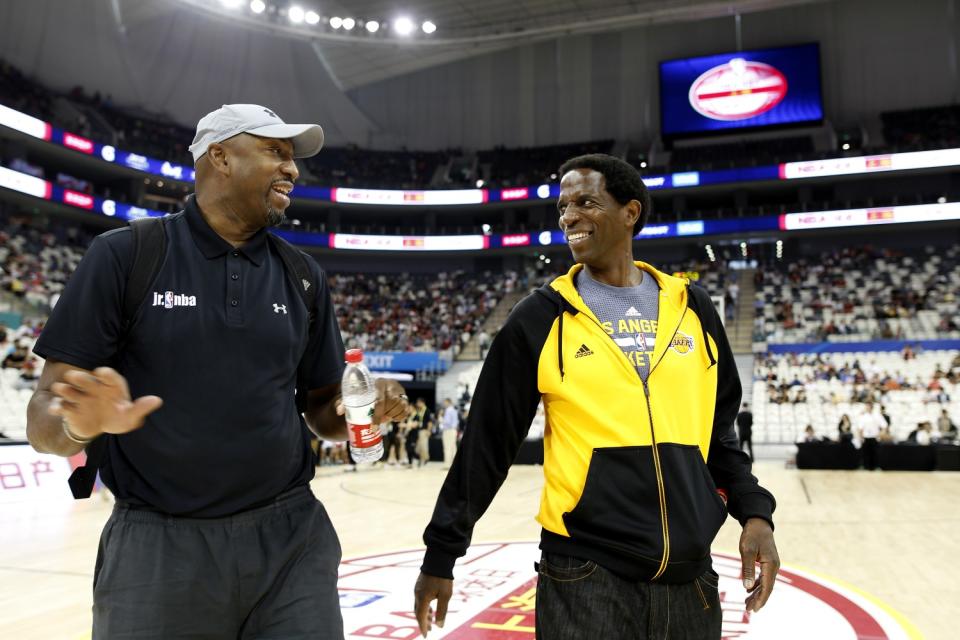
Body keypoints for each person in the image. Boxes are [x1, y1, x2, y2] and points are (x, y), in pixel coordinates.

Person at [25, 104, 409, 639]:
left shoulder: (302, 276)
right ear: (220, 156)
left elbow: (323, 411)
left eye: (293, 158)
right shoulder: (125, 256)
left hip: (290, 540)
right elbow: (42, 417)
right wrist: (78, 423)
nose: (293, 170)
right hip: (158, 547)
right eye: (276, 151)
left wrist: (362, 408)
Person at [413, 154, 779, 639]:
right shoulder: (538, 319)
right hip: (585, 573)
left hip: (691, 575)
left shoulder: (695, 308)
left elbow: (718, 435)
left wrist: (755, 513)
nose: (568, 216)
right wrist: (442, 553)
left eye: (586, 201)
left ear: (630, 212)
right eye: (564, 206)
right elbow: (487, 444)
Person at [855, 402, 885, 470]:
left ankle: (876, 467)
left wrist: (880, 434)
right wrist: (860, 437)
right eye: (866, 406)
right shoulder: (863, 416)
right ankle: (865, 467)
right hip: (865, 437)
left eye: (869, 406)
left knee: (875, 453)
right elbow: (860, 428)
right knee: (865, 453)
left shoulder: (877, 416)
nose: (867, 408)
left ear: (872, 407)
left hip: (875, 437)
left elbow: (884, 426)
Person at [439, 398, 459, 469]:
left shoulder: (448, 410)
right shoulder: (454, 410)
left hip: (448, 430)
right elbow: (456, 422)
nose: (444, 404)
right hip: (453, 430)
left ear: (448, 402)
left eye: (445, 402)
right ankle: (455, 465)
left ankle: (447, 465)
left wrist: (441, 418)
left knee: (447, 448)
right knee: (453, 448)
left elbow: (447, 422)